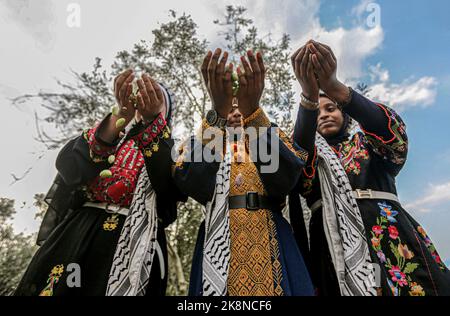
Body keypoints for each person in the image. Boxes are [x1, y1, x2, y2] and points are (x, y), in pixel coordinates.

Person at [289, 40, 450, 296]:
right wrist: (307, 97)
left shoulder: (366, 143)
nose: (324, 115)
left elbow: (393, 135)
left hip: (390, 238)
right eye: (317, 112)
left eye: (331, 107)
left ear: (345, 114)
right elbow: (296, 161)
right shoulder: (313, 156)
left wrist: (333, 86)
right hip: (332, 249)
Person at [15, 70, 184, 296]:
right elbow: (70, 168)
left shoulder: (173, 151)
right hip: (78, 234)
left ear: (166, 113)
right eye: (140, 96)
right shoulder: (109, 135)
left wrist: (153, 125)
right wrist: (120, 115)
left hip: (136, 245)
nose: (145, 102)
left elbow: (170, 194)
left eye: (155, 98)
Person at [174, 48, 314, 296]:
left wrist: (254, 118)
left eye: (242, 105)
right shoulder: (206, 139)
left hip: (273, 238)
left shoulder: (270, 135)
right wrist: (216, 115)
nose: (235, 110)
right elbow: (191, 180)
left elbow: (287, 178)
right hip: (217, 238)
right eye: (230, 104)